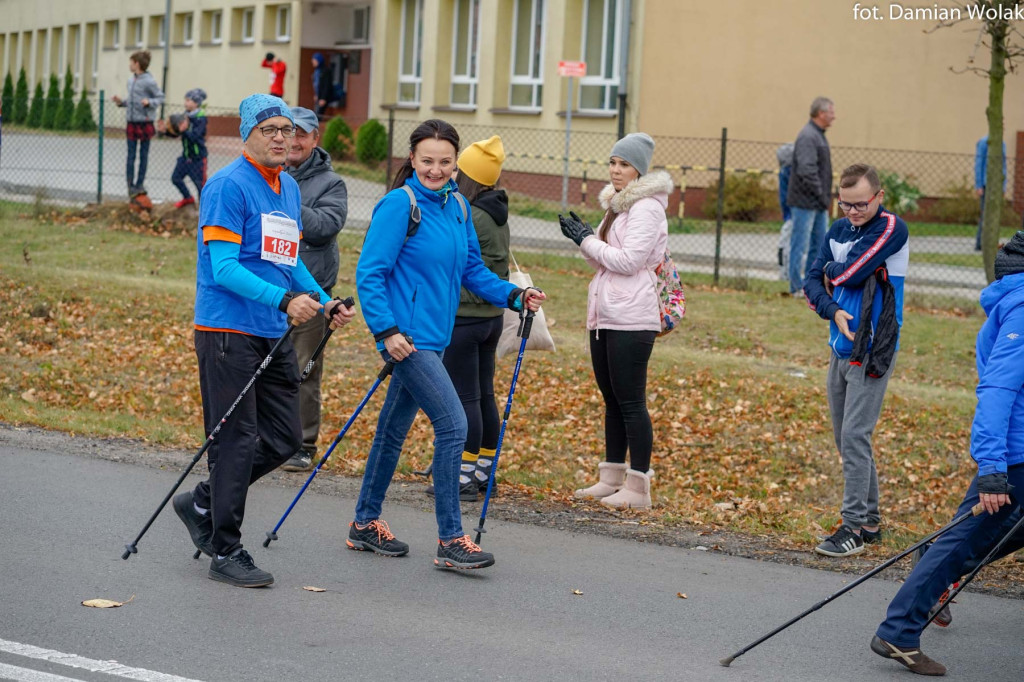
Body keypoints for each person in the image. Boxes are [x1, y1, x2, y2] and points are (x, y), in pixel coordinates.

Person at [172, 94, 355, 588]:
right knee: (235, 441)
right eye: (269, 129)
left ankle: (202, 502)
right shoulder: (227, 186)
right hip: (227, 331)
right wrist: (284, 301)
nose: (280, 138)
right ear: (248, 134)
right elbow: (223, 268)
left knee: (285, 438)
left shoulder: (288, 187)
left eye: (287, 129)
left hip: (271, 332)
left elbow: (287, 260)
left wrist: (323, 300)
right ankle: (225, 549)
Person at [350, 119, 545, 570]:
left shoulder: (457, 206)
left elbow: (473, 270)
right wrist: (386, 332)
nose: (435, 170)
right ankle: (451, 539)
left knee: (392, 431)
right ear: (412, 159)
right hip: (406, 340)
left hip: (436, 336)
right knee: (455, 426)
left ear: (456, 164)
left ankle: (364, 523)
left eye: (444, 162)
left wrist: (514, 296)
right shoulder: (399, 205)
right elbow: (370, 274)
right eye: (427, 161)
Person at [871, 231, 1024, 676]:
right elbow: (997, 389)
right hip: (1013, 454)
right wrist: (992, 468)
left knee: (993, 534)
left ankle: (935, 564)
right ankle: (898, 631)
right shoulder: (1022, 309)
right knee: (964, 539)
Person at [559, 132, 672, 510]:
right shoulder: (619, 205)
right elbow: (601, 258)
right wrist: (583, 239)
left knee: (631, 401)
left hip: (632, 318)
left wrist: (588, 240)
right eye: (612, 162)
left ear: (639, 170)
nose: (616, 170)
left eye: (624, 164)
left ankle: (638, 488)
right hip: (606, 314)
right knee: (612, 399)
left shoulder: (647, 208)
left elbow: (628, 261)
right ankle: (611, 479)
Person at [803, 164, 910, 557]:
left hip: (873, 348)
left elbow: (850, 272)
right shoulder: (838, 229)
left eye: (860, 204)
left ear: (879, 197)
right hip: (840, 346)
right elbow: (810, 282)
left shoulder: (891, 228)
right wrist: (832, 310)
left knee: (854, 435)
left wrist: (833, 271)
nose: (852, 212)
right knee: (845, 438)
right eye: (845, 204)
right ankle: (870, 522)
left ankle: (852, 528)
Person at [423, 135, 511, 502]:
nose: (451, 174)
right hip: (491, 318)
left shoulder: (469, 213)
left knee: (465, 398)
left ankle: (462, 475)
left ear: (469, 176)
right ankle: (483, 470)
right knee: (484, 395)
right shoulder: (496, 210)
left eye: (458, 169)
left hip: (466, 317)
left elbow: (461, 267)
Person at [279, 106, 348, 472]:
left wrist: (287, 203)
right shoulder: (271, 173)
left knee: (303, 370)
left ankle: (303, 444)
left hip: (312, 295)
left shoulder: (331, 183)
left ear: (315, 139)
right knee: (266, 365)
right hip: (271, 291)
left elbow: (324, 226)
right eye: (290, 132)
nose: (294, 141)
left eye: (302, 134)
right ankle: (268, 437)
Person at [786, 96, 834, 297]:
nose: (834, 116)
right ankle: (796, 286)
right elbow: (807, 170)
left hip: (817, 202)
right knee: (800, 244)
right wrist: (821, 194)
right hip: (805, 202)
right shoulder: (808, 136)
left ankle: (810, 285)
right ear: (821, 113)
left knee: (819, 245)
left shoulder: (818, 135)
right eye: (831, 112)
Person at [111, 50, 164, 198]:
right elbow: (131, 101)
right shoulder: (131, 81)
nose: (129, 65)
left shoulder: (149, 81)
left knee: (143, 155)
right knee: (130, 156)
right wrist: (121, 102)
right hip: (131, 122)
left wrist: (149, 102)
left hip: (144, 122)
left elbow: (160, 98)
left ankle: (140, 183)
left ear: (137, 64)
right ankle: (130, 185)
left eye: (131, 62)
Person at [157, 88, 208, 209]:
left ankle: (204, 209)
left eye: (189, 100)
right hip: (186, 158)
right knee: (176, 178)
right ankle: (188, 198)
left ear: (196, 103)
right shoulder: (185, 117)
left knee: (200, 186)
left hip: (198, 159)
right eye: (185, 100)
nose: (186, 103)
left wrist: (184, 130)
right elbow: (178, 134)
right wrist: (165, 132)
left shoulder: (201, 119)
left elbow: (195, 137)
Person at [973, 135, 1008, 251]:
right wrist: (979, 184)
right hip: (986, 185)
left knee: (995, 215)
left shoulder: (1002, 144)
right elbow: (979, 163)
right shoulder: (984, 142)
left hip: (997, 185)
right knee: (985, 214)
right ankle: (980, 243)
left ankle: (992, 242)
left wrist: (1003, 186)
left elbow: (1003, 166)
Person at [776, 143, 794, 281]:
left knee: (785, 245)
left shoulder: (787, 172)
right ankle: (785, 274)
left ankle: (785, 275)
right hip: (792, 214)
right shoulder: (788, 172)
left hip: (792, 214)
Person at [311, 52, 333, 117]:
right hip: (319, 96)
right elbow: (316, 84)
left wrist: (323, 98)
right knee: (316, 113)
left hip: (323, 97)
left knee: (318, 114)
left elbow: (326, 85)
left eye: (314, 61)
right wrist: (316, 95)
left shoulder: (325, 71)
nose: (313, 63)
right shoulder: (317, 71)